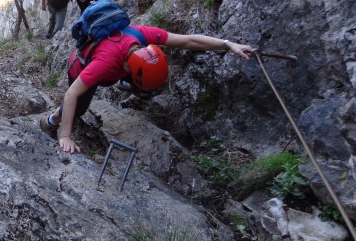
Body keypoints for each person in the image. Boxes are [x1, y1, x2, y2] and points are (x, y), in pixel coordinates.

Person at [40, 27, 255, 153]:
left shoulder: (142, 36)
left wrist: (228, 44)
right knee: (78, 109)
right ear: (129, 69)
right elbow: (71, 94)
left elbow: (187, 40)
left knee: (147, 88)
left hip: (120, 70)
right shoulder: (105, 62)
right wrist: (65, 135)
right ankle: (51, 120)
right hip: (81, 69)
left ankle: (127, 84)